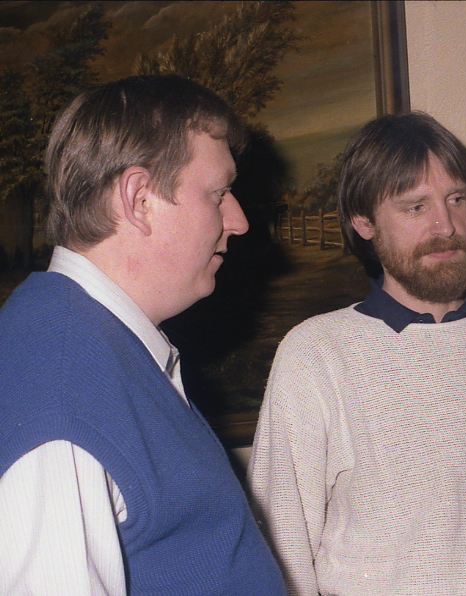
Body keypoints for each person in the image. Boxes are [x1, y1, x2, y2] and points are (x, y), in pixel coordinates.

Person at [248, 111, 466, 596]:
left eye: (455, 199)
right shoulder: (315, 353)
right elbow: (281, 548)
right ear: (363, 222)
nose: (446, 226)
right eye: (415, 207)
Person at [0, 75, 287, 596]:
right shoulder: (63, 385)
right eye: (219, 193)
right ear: (139, 199)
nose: (239, 220)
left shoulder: (95, 346)